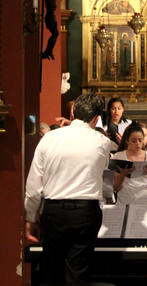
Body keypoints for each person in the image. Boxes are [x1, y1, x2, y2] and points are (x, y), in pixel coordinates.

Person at [24, 93, 112, 283]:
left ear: (73, 113)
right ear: (97, 119)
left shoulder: (49, 139)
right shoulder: (103, 142)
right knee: (77, 272)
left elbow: (33, 185)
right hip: (85, 211)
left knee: (51, 271)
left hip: (54, 211)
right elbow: (102, 170)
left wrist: (31, 217)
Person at [113, 122, 147, 205]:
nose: (137, 144)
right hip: (125, 201)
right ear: (127, 141)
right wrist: (123, 174)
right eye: (133, 141)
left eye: (140, 140)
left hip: (144, 201)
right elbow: (116, 188)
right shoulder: (119, 157)